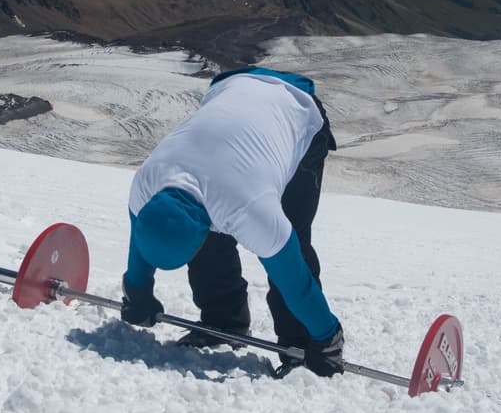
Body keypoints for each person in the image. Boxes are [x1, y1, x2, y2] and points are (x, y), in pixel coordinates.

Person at [118, 66, 344, 378]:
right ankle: (222, 322)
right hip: (231, 87)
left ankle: (300, 341)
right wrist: (137, 291)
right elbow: (143, 239)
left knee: (293, 236)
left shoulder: (251, 209)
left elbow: (294, 277)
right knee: (205, 235)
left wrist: (325, 336)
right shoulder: (147, 182)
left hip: (297, 106)